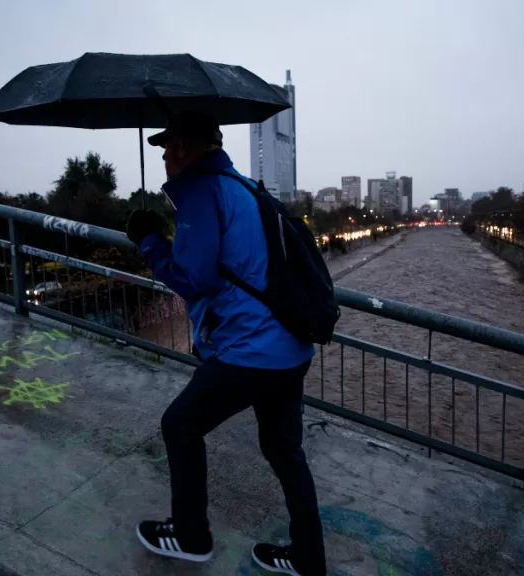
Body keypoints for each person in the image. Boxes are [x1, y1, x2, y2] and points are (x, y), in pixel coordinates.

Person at [126, 111, 326, 576]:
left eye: (164, 149)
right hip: (289, 348)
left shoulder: (201, 192)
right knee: (284, 453)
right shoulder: (246, 188)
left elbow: (193, 279)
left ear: (180, 148)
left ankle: (191, 535)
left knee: (180, 425)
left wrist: (151, 241)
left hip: (249, 352)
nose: (162, 159)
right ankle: (308, 558)